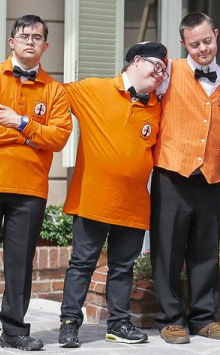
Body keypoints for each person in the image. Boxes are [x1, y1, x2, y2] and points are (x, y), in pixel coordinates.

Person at [0, 15, 72, 354]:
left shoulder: (55, 91)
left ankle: (15, 331)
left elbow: (59, 137)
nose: (30, 41)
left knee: (21, 265)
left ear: (46, 45)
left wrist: (20, 121)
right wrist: (31, 136)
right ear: (12, 42)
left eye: (37, 37)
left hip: (30, 188)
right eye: (24, 36)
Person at [56, 42, 168, 348]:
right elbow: (51, 94)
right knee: (82, 263)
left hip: (132, 203)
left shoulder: (157, 105)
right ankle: (69, 323)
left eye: (164, 70)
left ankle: (119, 323)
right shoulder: (94, 89)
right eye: (155, 66)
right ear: (135, 61)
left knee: (123, 266)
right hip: (93, 198)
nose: (159, 74)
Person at [149, 12, 220, 344]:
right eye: (195, 44)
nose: (203, 48)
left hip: (209, 176)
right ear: (183, 44)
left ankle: (204, 317)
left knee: (206, 249)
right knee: (168, 249)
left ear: (216, 35)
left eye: (207, 41)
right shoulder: (170, 72)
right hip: (172, 173)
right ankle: (170, 319)